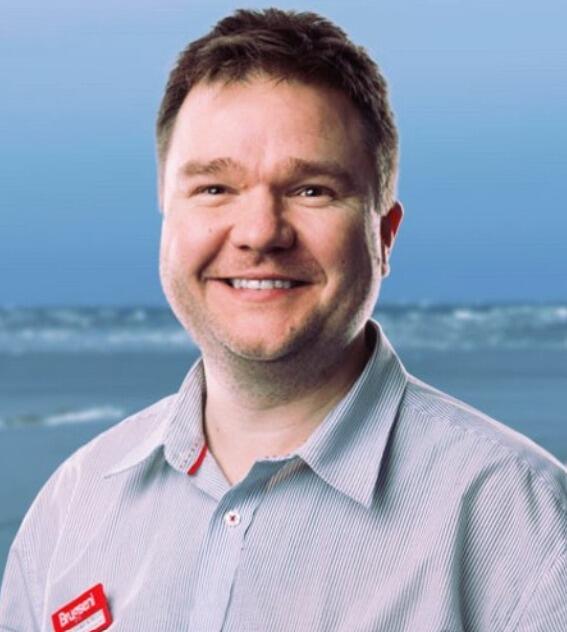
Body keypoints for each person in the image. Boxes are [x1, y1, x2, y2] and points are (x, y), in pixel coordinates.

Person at [1, 8, 565, 632]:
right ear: (166, 216)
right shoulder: (72, 507)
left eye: (311, 190)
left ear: (384, 235)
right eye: (214, 189)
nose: (260, 232)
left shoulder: (526, 525)